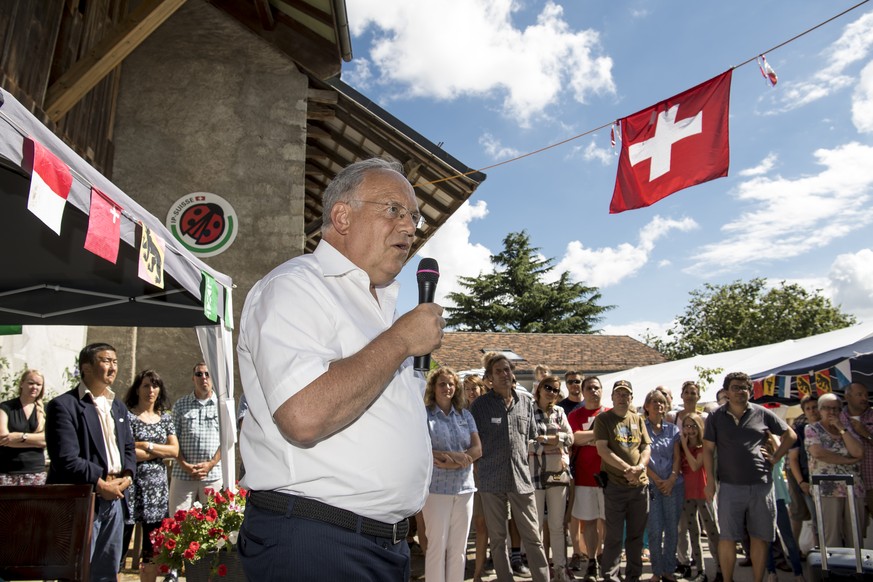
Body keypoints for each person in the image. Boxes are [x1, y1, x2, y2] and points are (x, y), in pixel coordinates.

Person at [236, 158, 444, 581]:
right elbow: (304, 416)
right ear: (342, 216)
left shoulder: (378, 309)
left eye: (414, 216)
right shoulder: (297, 285)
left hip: (379, 545)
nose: (409, 227)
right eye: (393, 210)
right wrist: (401, 340)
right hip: (316, 541)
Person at [46, 342, 136, 582]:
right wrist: (100, 483)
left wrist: (126, 478)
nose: (113, 366)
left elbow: (128, 448)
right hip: (84, 499)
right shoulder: (63, 406)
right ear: (86, 368)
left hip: (115, 497)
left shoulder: (117, 406)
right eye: (106, 360)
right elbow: (66, 459)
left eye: (115, 361)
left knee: (107, 572)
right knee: (77, 571)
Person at [703, 372, 796, 582]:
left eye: (744, 387)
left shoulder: (762, 413)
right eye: (735, 387)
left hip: (761, 485)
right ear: (726, 392)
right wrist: (710, 482)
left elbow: (790, 435)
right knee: (727, 537)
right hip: (729, 485)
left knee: (760, 537)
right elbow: (708, 450)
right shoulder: (715, 417)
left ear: (750, 391)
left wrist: (775, 457)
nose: (740, 391)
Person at [470, 354, 550, 582]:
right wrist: (477, 468)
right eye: (498, 371)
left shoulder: (525, 403)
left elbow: (533, 436)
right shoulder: (479, 406)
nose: (505, 375)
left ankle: (542, 579)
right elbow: (471, 441)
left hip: (521, 479)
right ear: (489, 379)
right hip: (490, 480)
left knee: (533, 536)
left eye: (507, 370)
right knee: (497, 538)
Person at [422, 367, 481, 582]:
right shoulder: (424, 415)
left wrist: (454, 463)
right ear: (433, 388)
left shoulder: (465, 415)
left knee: (459, 549)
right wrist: (458, 457)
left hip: (465, 488)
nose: (447, 388)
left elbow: (477, 450)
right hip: (437, 490)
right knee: (437, 547)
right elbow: (422, 449)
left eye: (451, 384)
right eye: (442, 384)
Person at [122, 370, 179, 582]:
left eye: (155, 386)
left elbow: (174, 451)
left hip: (157, 494)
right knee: (120, 548)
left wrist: (146, 445)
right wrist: (157, 450)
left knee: (151, 553)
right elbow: (125, 452)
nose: (151, 390)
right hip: (130, 489)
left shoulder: (165, 418)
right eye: (146, 385)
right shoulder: (127, 416)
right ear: (137, 388)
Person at [594, 379, 651, 582]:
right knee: (614, 537)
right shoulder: (603, 419)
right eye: (618, 393)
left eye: (626, 394)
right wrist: (627, 469)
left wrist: (640, 468)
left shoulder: (638, 419)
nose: (622, 397)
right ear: (612, 397)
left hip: (639, 486)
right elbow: (602, 449)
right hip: (616, 486)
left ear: (631, 397)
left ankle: (633, 576)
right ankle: (610, 576)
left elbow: (646, 447)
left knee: (636, 537)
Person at [805, 392, 865, 548]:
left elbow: (858, 452)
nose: (831, 412)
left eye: (836, 409)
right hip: (827, 489)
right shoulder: (812, 429)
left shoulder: (847, 428)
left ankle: (856, 569)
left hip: (853, 488)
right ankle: (834, 570)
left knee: (855, 534)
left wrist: (841, 429)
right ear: (820, 410)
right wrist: (848, 461)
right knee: (831, 535)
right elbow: (819, 453)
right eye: (826, 408)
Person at [530, 375, 573, 582]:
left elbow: (570, 438)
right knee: (535, 527)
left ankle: (560, 569)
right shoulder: (528, 411)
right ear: (539, 388)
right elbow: (525, 442)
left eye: (556, 390)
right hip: (534, 475)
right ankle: (539, 571)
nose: (552, 392)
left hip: (557, 474)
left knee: (557, 526)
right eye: (548, 387)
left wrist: (546, 440)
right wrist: (555, 442)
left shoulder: (560, 412)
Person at [568, 376, 608, 582]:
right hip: (584, 477)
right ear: (583, 392)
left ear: (602, 390)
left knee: (607, 521)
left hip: (609, 477)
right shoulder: (575, 414)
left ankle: (606, 560)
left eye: (596, 388)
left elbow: (612, 441)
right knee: (590, 522)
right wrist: (598, 436)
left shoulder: (610, 414)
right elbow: (574, 437)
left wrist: (588, 438)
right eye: (589, 388)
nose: (593, 391)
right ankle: (591, 560)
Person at [168, 363, 222, 514]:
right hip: (182, 473)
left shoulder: (221, 406)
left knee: (215, 521)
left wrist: (210, 464)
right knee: (177, 521)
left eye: (207, 374)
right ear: (193, 378)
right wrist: (185, 465)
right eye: (199, 374)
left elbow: (228, 440)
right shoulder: (180, 405)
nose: (203, 378)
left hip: (213, 474)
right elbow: (173, 439)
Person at [643, 389, 682, 582]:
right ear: (646, 406)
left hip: (673, 485)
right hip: (651, 485)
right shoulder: (641, 428)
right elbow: (640, 457)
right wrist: (657, 480)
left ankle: (669, 570)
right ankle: (657, 571)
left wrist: (672, 478)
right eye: (654, 402)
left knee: (672, 530)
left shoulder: (673, 429)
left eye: (662, 402)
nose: (659, 405)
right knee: (655, 529)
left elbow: (677, 457)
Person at [679, 413, 721, 582]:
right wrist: (682, 446)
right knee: (693, 532)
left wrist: (685, 446)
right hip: (687, 493)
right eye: (687, 426)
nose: (690, 430)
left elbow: (696, 466)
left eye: (694, 426)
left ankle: (720, 568)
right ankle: (701, 571)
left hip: (703, 492)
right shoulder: (681, 447)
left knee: (712, 531)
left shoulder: (703, 446)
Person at [673, 380, 706, 576]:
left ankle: (704, 564)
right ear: (681, 395)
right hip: (682, 477)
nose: (690, 395)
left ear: (698, 396)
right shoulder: (674, 417)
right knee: (683, 525)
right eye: (686, 392)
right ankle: (683, 560)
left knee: (708, 524)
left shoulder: (706, 417)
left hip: (701, 478)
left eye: (693, 392)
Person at [464, 374, 492, 582]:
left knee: (482, 526)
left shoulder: (488, 412)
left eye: (475, 388)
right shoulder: (460, 414)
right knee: (464, 527)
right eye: (467, 388)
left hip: (485, 476)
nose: (471, 392)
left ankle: (478, 572)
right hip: (462, 476)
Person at [0, 369, 47, 485]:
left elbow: (50, 440)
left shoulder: (46, 409)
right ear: (21, 383)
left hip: (36, 472)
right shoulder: (6, 407)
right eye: (31, 383)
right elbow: (3, 438)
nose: (34, 387)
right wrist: (37, 440)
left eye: (38, 384)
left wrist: (21, 436)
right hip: (7, 472)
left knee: (35, 504)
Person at [787, 395, 819, 547]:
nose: (813, 411)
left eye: (815, 407)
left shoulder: (830, 425)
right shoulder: (799, 427)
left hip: (821, 478)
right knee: (799, 513)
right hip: (800, 475)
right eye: (808, 408)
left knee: (820, 518)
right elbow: (793, 458)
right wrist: (801, 481)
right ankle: (794, 550)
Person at [840, 381, 873, 526]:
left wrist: (865, 433)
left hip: (872, 482)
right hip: (848, 485)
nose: (864, 398)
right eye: (859, 394)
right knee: (855, 531)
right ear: (847, 397)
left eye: (866, 394)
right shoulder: (838, 417)